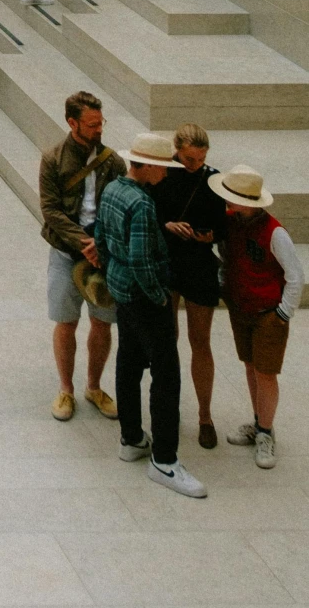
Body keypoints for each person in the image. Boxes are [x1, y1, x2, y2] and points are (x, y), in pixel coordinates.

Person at [95, 131, 208, 496]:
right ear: (145, 166)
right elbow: (143, 261)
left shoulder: (113, 189)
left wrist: (115, 274)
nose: (165, 173)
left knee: (128, 364)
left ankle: (131, 438)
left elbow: (100, 238)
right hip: (146, 298)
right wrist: (160, 297)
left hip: (121, 291)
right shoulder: (142, 204)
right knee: (166, 375)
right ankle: (165, 459)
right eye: (161, 167)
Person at [39, 88, 122, 422]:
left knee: (103, 323)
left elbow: (117, 205)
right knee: (66, 321)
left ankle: (94, 385)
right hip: (66, 252)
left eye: (101, 123)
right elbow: (51, 210)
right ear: (72, 123)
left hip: (103, 254)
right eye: (92, 124)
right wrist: (83, 242)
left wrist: (101, 244)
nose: (99, 129)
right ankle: (65, 389)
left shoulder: (113, 161)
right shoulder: (53, 158)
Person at [212, 162, 303, 469]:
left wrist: (282, 313)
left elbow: (295, 275)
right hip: (242, 309)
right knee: (251, 368)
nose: (228, 202)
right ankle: (258, 421)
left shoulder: (275, 233)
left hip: (268, 314)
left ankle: (266, 432)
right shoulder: (231, 221)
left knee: (266, 374)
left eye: (232, 198)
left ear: (248, 202)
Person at [155, 122, 221, 449]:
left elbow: (225, 222)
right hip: (168, 260)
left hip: (198, 263)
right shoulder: (163, 172)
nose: (195, 165)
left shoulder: (213, 178)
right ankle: (170, 407)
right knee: (168, 339)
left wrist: (211, 235)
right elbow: (149, 213)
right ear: (177, 150)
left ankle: (205, 416)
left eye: (201, 159)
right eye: (190, 158)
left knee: (200, 340)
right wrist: (168, 225)